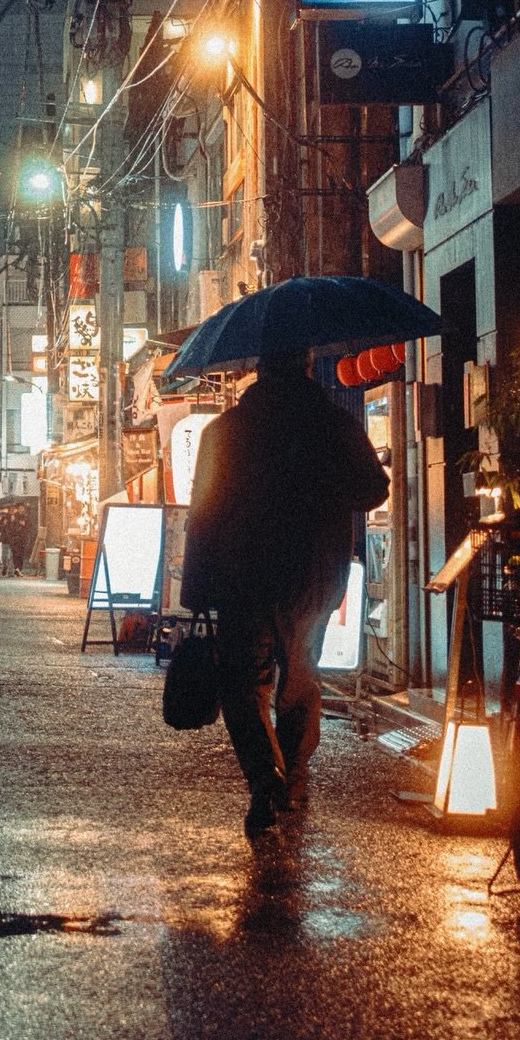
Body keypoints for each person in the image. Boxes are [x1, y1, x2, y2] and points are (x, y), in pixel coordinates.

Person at [180, 347, 389, 837]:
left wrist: (196, 588)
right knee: (300, 677)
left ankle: (263, 779)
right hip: (313, 574)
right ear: (308, 365)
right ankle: (293, 779)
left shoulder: (224, 432)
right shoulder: (333, 426)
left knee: (243, 684)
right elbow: (373, 490)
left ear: (257, 367)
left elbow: (203, 514)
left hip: (242, 575)